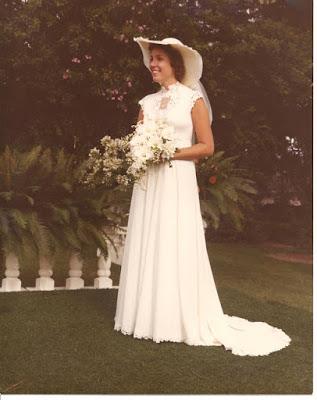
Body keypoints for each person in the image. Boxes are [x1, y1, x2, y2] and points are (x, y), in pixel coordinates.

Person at [114, 37, 291, 356]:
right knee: (149, 241)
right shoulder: (146, 103)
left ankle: (176, 318)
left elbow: (206, 146)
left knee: (174, 241)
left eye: (159, 60)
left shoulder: (191, 100)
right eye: (151, 59)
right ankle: (144, 315)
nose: (153, 64)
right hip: (149, 182)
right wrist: (142, 151)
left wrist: (167, 151)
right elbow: (136, 141)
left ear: (175, 66)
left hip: (176, 180)